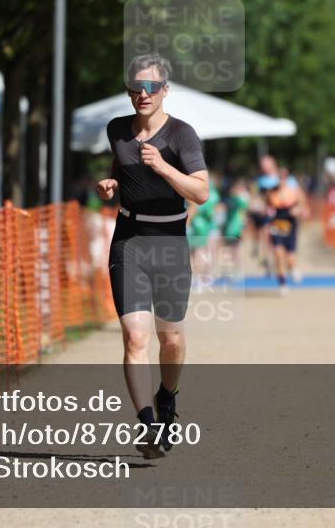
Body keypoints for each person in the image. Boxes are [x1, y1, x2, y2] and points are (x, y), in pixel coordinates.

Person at [96, 52, 209, 459]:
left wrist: (164, 168)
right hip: (129, 240)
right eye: (135, 87)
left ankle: (168, 397)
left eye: (150, 87)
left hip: (171, 243)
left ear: (165, 90)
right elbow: (124, 166)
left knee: (171, 339)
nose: (142, 94)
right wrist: (112, 183)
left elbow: (200, 192)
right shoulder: (117, 130)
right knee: (135, 337)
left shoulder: (182, 135)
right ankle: (147, 425)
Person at [266, 167, 303, 293]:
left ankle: (293, 268)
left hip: (290, 225)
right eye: (279, 177)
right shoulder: (272, 192)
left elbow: (302, 206)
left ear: (287, 178)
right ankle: (282, 283)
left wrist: (297, 211)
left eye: (284, 177)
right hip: (277, 225)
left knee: (290, 257)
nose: (281, 179)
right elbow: (267, 206)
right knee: (278, 253)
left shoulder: (294, 192)